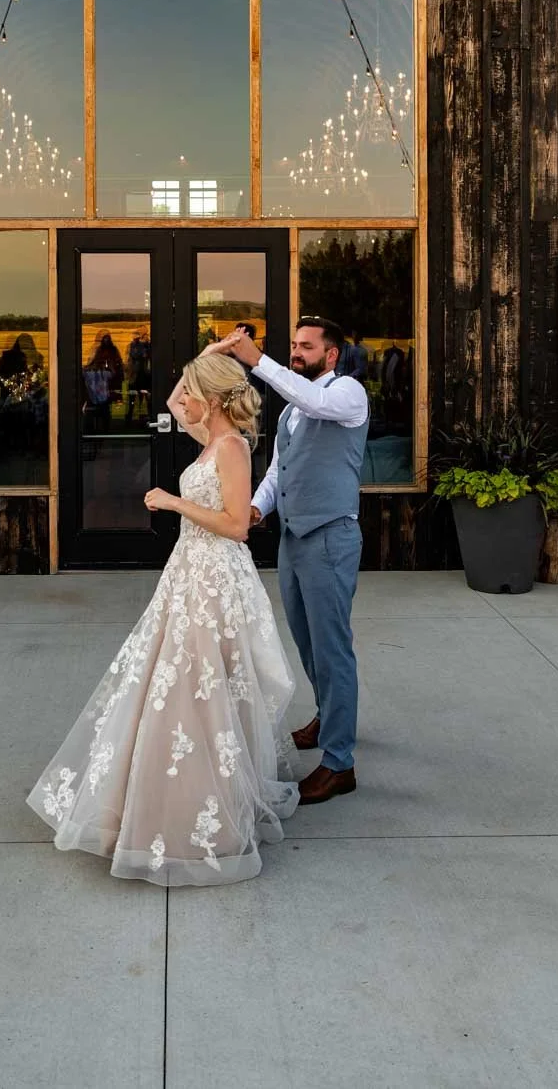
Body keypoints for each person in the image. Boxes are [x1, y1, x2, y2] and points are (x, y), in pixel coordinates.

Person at [27, 347, 299, 886]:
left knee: (202, 685)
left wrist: (174, 503)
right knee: (172, 680)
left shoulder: (231, 446)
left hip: (215, 576)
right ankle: (161, 794)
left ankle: (205, 808)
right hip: (188, 573)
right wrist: (205, 356)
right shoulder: (206, 436)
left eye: (198, 389)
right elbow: (175, 400)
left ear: (216, 397)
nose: (186, 399)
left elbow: (238, 524)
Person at [219, 318, 369, 806]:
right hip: (294, 538)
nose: (298, 352)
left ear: (330, 356)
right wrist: (259, 506)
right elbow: (279, 471)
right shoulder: (290, 413)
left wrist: (256, 359)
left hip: (331, 537)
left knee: (332, 648)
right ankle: (330, 713)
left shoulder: (346, 393)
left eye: (307, 346)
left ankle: (339, 763)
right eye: (294, 346)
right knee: (307, 641)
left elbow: (313, 400)